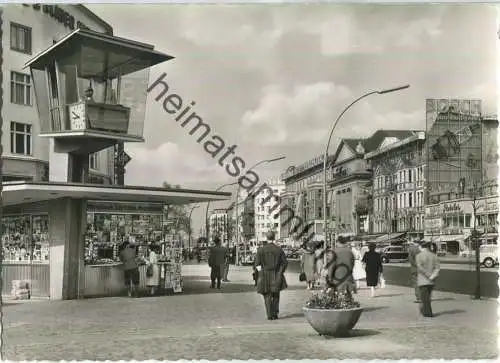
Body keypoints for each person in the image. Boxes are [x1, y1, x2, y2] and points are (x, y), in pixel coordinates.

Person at [254, 231, 288, 320]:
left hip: (265, 274)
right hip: (277, 274)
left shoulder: (261, 250)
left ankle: (269, 314)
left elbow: (257, 264)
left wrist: (260, 273)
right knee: (276, 294)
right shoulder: (279, 249)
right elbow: (284, 263)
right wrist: (281, 272)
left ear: (266, 238)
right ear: (274, 238)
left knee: (267, 295)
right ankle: (275, 313)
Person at [416, 241, 440, 318]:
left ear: (421, 247)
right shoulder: (434, 255)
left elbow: (420, 268)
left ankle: (428, 313)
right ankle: (424, 310)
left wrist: (428, 275)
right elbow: (437, 268)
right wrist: (433, 275)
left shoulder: (418, 256)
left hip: (423, 279)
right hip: (432, 280)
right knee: (428, 296)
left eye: (419, 247)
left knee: (425, 297)